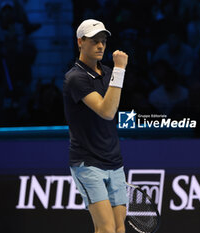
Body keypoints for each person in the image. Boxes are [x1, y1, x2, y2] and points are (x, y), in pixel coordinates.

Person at [63, 19, 128, 233]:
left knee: (119, 229)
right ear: (80, 42)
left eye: (103, 41)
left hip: (114, 161)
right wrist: (120, 69)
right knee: (106, 229)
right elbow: (106, 111)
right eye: (94, 41)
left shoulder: (109, 73)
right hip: (88, 162)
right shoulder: (75, 78)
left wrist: (115, 71)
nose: (101, 46)